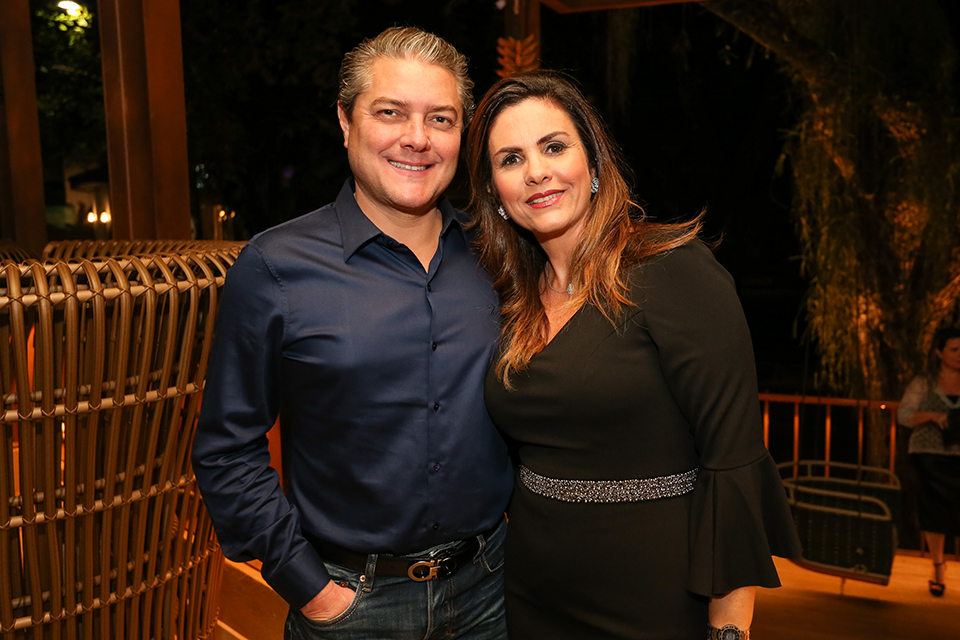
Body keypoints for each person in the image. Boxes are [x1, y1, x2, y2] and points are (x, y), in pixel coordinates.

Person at [192, 27, 513, 640]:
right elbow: (227, 449)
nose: (416, 138)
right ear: (345, 122)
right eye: (390, 112)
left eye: (440, 119)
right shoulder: (275, 267)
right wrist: (310, 590)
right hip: (351, 606)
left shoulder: (497, 255)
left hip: (491, 592)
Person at [465, 70, 802, 640]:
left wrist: (729, 630)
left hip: (655, 593)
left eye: (554, 147)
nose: (536, 172)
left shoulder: (672, 270)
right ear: (495, 192)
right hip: (530, 592)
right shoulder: (509, 299)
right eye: (511, 159)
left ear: (594, 164)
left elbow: (732, 461)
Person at [897, 326, 960, 597]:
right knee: (934, 512)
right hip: (930, 455)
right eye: (954, 349)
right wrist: (934, 416)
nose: (959, 355)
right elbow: (904, 414)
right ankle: (937, 566)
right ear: (939, 352)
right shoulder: (925, 381)